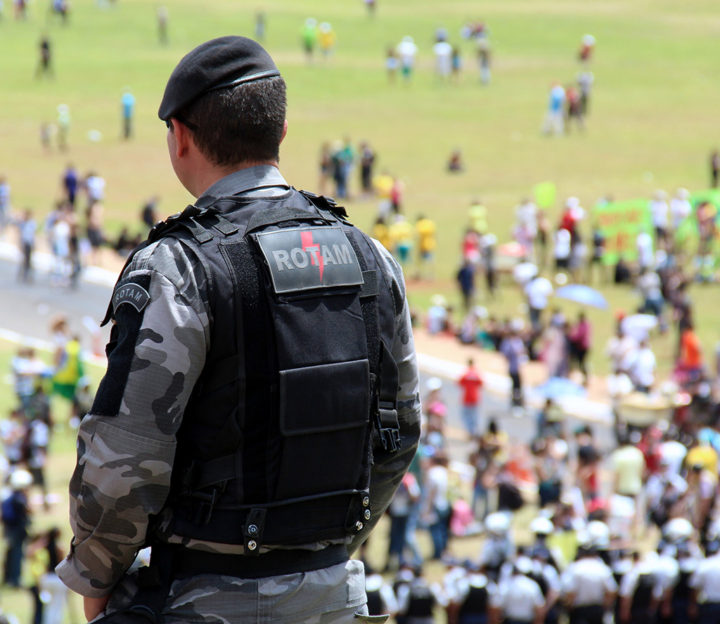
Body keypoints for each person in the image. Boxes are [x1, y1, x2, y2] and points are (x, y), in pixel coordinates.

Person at [56, 36, 421, 624]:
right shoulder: (369, 255)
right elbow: (400, 432)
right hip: (334, 595)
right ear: (280, 132)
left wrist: (96, 577)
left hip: (203, 598)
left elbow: (126, 456)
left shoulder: (181, 267)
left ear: (179, 136)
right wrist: (319, 548)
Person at [458, 358, 483, 438]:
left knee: (466, 416)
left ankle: (471, 432)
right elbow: (481, 383)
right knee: (474, 415)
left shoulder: (466, 374)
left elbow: (460, 383)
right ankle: (475, 431)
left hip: (467, 398)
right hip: (475, 398)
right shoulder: (477, 374)